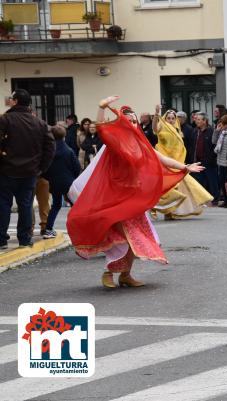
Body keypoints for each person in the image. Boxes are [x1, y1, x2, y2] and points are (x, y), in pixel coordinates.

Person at [67, 95, 204, 288]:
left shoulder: (141, 144)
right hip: (115, 199)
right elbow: (101, 129)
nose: (132, 123)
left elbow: (161, 159)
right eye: (128, 121)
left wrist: (185, 167)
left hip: (134, 199)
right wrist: (102, 107)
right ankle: (109, 272)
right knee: (122, 238)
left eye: (134, 121)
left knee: (136, 240)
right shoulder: (115, 142)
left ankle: (125, 275)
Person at [0, 89, 55, 249]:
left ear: (15, 101)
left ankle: (1, 238)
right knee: (25, 205)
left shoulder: (5, 120)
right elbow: (50, 147)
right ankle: (24, 238)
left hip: (6, 170)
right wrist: (41, 168)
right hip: (30, 172)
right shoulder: (39, 123)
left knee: (3, 205)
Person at [152, 106, 213, 218]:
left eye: (173, 118)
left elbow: (180, 148)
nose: (170, 120)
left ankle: (173, 212)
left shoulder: (177, 130)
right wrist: (156, 114)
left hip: (176, 161)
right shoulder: (161, 127)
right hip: (165, 162)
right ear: (165, 119)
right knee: (168, 186)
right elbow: (155, 128)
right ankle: (163, 209)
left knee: (181, 185)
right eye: (168, 118)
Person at [42, 125, 80, 239]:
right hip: (69, 181)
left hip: (54, 182)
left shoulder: (49, 151)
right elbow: (77, 167)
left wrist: (49, 178)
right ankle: (78, 229)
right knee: (76, 206)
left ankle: (48, 229)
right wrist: (73, 177)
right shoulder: (69, 150)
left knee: (56, 205)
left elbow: (44, 168)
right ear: (65, 135)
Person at [190, 113, 219, 204]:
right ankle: (202, 198)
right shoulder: (195, 131)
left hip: (209, 161)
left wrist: (211, 158)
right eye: (196, 119)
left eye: (199, 119)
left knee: (212, 181)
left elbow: (215, 146)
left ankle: (215, 198)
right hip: (198, 161)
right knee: (199, 181)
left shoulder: (211, 131)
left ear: (204, 121)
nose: (196, 121)